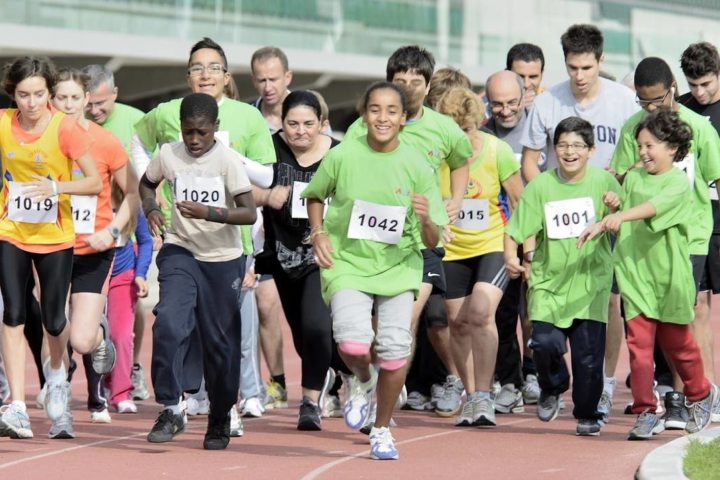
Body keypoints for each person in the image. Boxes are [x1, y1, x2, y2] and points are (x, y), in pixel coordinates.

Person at [133, 37, 275, 424]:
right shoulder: (165, 113)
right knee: (178, 321)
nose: (206, 74)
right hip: (182, 239)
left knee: (225, 333)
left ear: (227, 76)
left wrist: (225, 155)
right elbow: (140, 145)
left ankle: (232, 403)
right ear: (188, 75)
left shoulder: (248, 118)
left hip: (232, 243)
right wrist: (152, 204)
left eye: (214, 67)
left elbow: (267, 173)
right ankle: (188, 397)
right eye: (197, 67)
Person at [303, 81, 448, 460]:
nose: (382, 117)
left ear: (403, 119)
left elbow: (433, 239)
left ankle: (381, 429)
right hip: (348, 263)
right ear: (364, 114)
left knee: (395, 352)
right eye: (375, 110)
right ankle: (362, 381)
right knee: (352, 343)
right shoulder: (343, 154)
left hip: (399, 266)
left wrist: (424, 218)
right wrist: (318, 232)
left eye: (391, 111)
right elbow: (316, 194)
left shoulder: (417, 165)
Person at [344, 45, 471, 422]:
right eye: (402, 81)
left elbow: (462, 160)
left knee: (406, 319)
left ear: (429, 85)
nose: (410, 87)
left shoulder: (442, 127)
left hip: (422, 239)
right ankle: (370, 385)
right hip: (374, 239)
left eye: (418, 81)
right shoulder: (362, 127)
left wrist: (456, 199)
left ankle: (387, 397)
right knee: (373, 327)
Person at [521, 24, 639, 422]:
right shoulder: (547, 103)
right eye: (572, 67)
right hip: (557, 224)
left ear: (601, 62)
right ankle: (555, 382)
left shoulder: (624, 102)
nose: (579, 75)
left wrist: (616, 194)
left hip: (609, 213)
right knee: (547, 332)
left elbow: (642, 159)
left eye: (587, 67)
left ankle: (602, 383)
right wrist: (547, 201)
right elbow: (528, 163)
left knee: (609, 301)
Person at [581, 108, 718, 439]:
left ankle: (701, 393)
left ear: (672, 148)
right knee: (639, 346)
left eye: (650, 146)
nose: (642, 152)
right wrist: (614, 203)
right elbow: (625, 204)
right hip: (634, 275)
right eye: (639, 145)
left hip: (669, 278)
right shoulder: (635, 177)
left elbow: (652, 208)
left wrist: (622, 215)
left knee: (679, 345)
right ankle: (644, 410)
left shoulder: (677, 183)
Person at [140, 92, 257, 450]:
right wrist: (151, 209)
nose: (193, 139)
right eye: (188, 131)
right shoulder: (168, 155)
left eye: (201, 133)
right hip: (181, 250)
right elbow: (146, 183)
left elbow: (249, 212)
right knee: (170, 323)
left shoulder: (227, 161)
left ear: (215, 129)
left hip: (223, 258)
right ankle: (172, 406)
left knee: (221, 345)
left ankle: (220, 415)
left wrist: (210, 213)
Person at [610, 56, 720, 428]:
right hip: (642, 243)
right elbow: (621, 178)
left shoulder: (699, 128)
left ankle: (695, 395)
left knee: (685, 318)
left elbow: (717, 178)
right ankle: (667, 398)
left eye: (656, 100)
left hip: (691, 235)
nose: (651, 108)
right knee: (646, 327)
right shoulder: (633, 130)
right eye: (643, 102)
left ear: (673, 89)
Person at [0, 56, 102, 439]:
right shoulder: (3, 123)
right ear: (13, 94)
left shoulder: (65, 129)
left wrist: (57, 187)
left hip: (55, 235)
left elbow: (93, 181)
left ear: (49, 93)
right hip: (10, 230)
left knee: (55, 320)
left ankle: (57, 376)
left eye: (39, 94)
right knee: (12, 312)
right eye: (23, 95)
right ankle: (17, 405)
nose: (31, 103)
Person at [505, 116, 620, 436]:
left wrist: (615, 207)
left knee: (587, 359)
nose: (569, 152)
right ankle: (552, 386)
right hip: (548, 282)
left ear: (591, 150)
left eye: (577, 146)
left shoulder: (604, 183)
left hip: (590, 283)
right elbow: (516, 227)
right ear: (553, 150)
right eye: (563, 145)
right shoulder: (541, 185)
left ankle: (586, 413)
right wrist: (509, 255)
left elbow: (624, 220)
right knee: (543, 343)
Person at [49, 67, 139, 433]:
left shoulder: (105, 142)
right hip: (48, 246)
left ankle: (99, 335)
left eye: (75, 98)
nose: (68, 105)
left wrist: (114, 230)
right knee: (51, 327)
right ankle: (59, 404)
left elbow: (133, 192)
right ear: (50, 100)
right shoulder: (42, 140)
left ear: (87, 99)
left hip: (93, 249)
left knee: (81, 340)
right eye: (61, 98)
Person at [435, 87, 523, 426]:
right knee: (457, 323)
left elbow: (519, 201)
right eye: (454, 131)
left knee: (482, 312)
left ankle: (486, 395)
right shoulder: (436, 157)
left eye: (468, 130)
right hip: (452, 248)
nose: (462, 139)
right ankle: (471, 396)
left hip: (492, 244)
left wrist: (518, 247)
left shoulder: (497, 151)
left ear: (479, 123)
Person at [254, 90, 341, 430]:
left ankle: (309, 401)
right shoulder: (269, 150)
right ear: (282, 123)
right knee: (303, 335)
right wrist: (267, 196)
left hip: (324, 254)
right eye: (293, 124)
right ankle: (333, 373)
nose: (300, 131)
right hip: (280, 254)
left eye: (308, 124)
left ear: (322, 123)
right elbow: (241, 187)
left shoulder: (339, 152)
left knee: (318, 326)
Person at [83, 63, 152, 402]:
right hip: (87, 229)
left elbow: (155, 172)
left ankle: (131, 370)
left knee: (130, 309)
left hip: (129, 223)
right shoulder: (72, 125)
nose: (94, 111)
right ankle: (72, 375)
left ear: (115, 94)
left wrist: (154, 211)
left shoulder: (137, 122)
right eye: (88, 104)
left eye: (101, 104)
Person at [484, 69, 539, 410]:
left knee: (536, 312)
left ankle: (536, 371)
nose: (505, 111)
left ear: (525, 96)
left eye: (512, 103)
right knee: (502, 312)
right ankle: (510, 380)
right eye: (496, 104)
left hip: (539, 235)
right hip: (497, 235)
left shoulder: (539, 128)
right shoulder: (481, 134)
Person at [249, 46, 292, 413]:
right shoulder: (249, 118)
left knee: (312, 311)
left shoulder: (306, 114)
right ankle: (275, 381)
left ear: (287, 78)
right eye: (261, 79)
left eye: (273, 79)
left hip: (302, 227)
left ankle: (331, 379)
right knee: (265, 305)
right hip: (263, 226)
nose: (268, 86)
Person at [679, 42, 720, 409]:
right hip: (697, 222)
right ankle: (707, 390)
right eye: (693, 85)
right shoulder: (681, 112)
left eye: (706, 83)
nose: (700, 92)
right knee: (697, 306)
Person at [105, 190, 153, 415]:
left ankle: (121, 393)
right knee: (90, 337)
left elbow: (145, 240)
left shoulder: (130, 201)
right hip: (89, 275)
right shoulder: (86, 196)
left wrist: (140, 273)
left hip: (123, 274)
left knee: (121, 335)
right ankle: (100, 385)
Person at [251, 46, 293, 132]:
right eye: (262, 81)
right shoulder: (246, 117)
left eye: (273, 80)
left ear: (288, 77)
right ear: (254, 81)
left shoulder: (310, 113)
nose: (267, 88)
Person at [506, 43, 545, 110]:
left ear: (542, 75)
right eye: (520, 77)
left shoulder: (552, 103)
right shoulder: (490, 100)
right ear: (506, 73)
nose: (526, 85)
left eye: (533, 77)